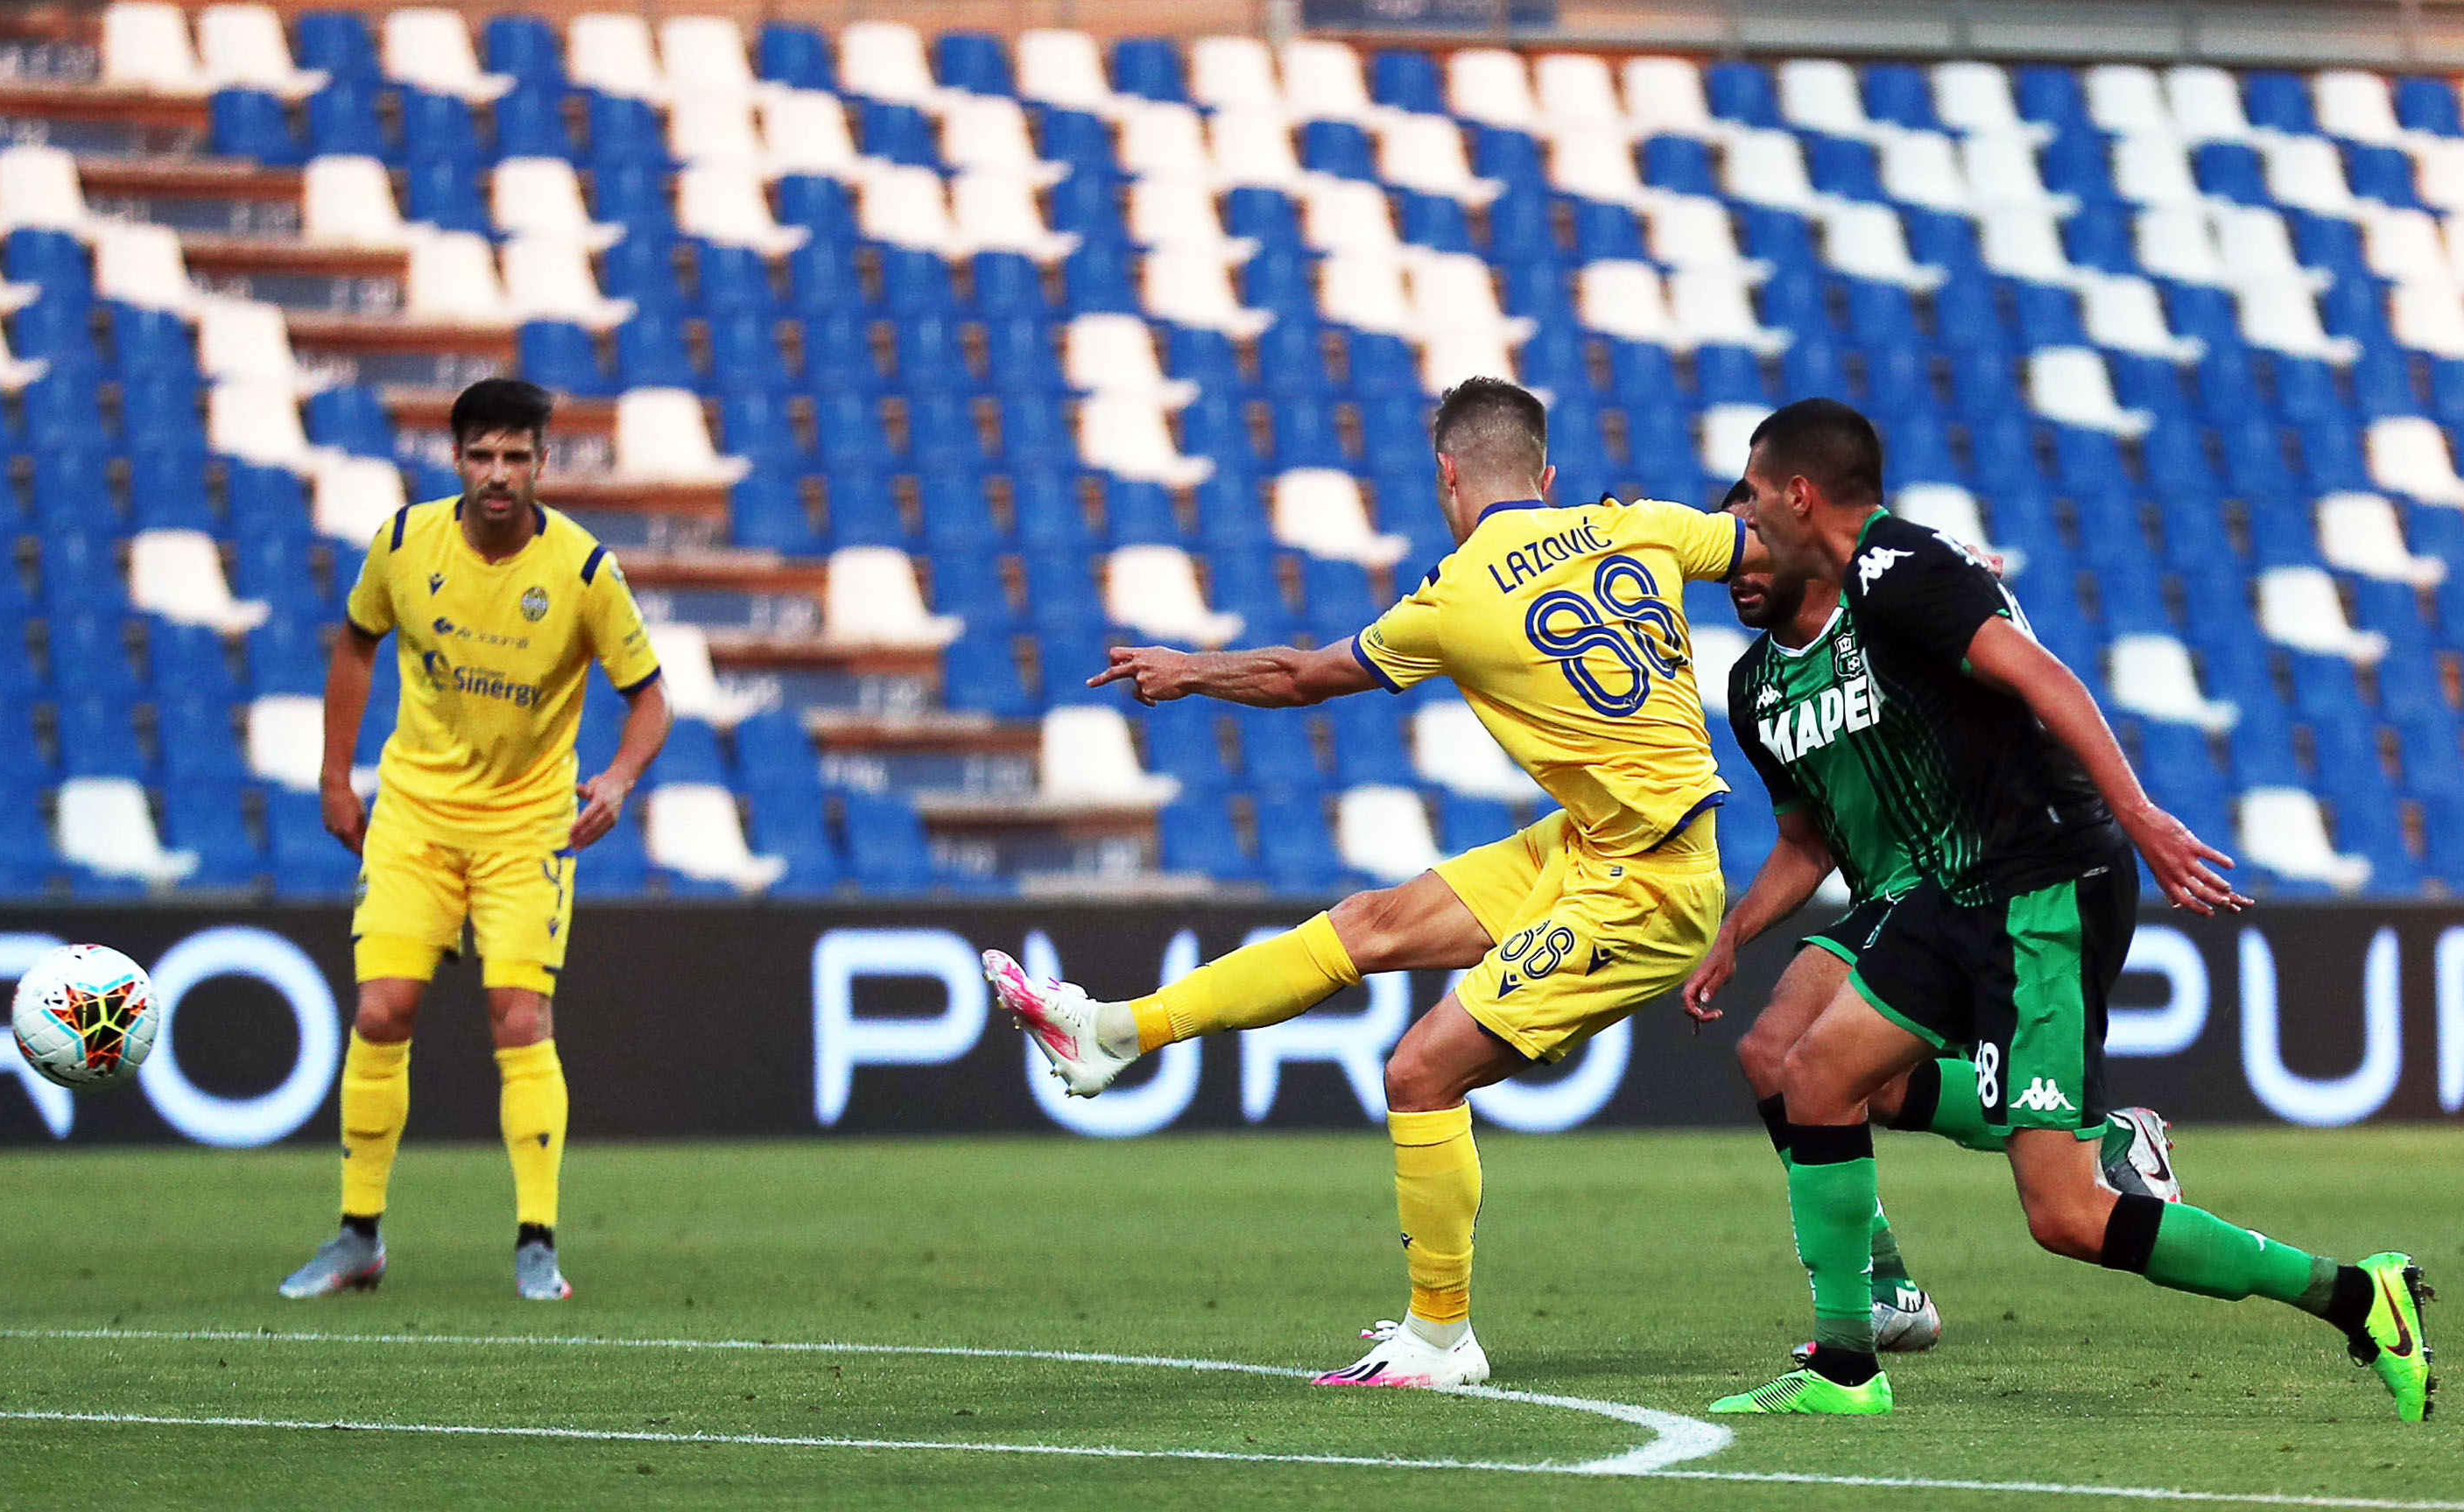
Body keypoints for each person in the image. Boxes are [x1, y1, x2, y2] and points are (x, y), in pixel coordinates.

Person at [984, 376, 1749, 1389]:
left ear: (1445, 475)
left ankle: (1440, 1337)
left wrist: (1188, 669)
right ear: (1547, 474)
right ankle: (1112, 1033)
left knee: (1419, 1072)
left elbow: (1301, 678)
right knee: (1368, 925)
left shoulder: (1458, 595)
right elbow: (1771, 541)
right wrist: (1934, 577)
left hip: (1644, 881)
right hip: (1602, 842)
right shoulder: (1637, 524)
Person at [1713, 397, 2432, 1421]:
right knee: (1811, 1072)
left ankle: (2359, 1295)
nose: (1740, 526)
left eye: (1752, 495)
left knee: (2065, 1216)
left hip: (2037, 887)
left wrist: (2138, 815)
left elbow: (2040, 672)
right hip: (1957, 886)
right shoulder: (1865, 595)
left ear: (1797, 493)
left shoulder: (1894, 568)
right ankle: (1845, 1366)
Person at [1686, 480, 2185, 1358]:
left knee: (1785, 1056)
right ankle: (2094, 1142)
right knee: (1831, 1077)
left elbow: (1983, 644)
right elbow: (1804, 842)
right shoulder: (1752, 689)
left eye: (1752, 543)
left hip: (1958, 871)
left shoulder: (1882, 620)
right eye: (1725, 554)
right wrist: (1733, 932)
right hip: (1882, 893)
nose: (1737, 569)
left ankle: (1880, 1292)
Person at [278, 377, 672, 1303]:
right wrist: (337, 775)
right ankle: (358, 1238)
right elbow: (355, 642)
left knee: (519, 1019)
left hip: (526, 820)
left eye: (515, 457)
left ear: (541, 463)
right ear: (456, 460)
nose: (498, 475)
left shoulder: (580, 573)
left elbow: (649, 695)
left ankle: (536, 1242)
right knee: (381, 1011)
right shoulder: (407, 543)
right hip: (415, 813)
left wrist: (615, 779)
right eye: (481, 456)